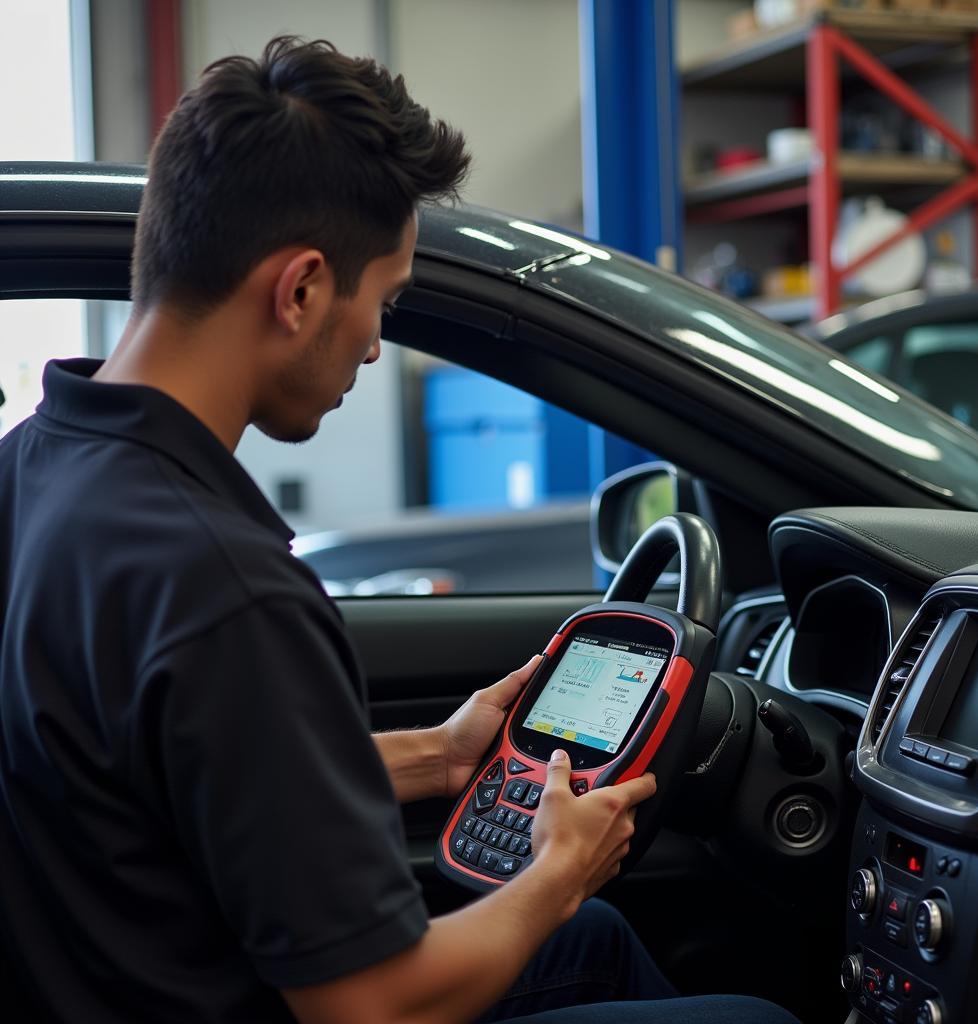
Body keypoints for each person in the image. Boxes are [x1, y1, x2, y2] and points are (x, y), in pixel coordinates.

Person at [0, 37, 800, 1024]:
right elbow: (371, 1007)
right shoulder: (223, 587)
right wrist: (557, 871)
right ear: (298, 291)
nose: (378, 342)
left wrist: (439, 752)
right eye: (382, 300)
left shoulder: (36, 467)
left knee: (592, 946)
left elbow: (172, 780)